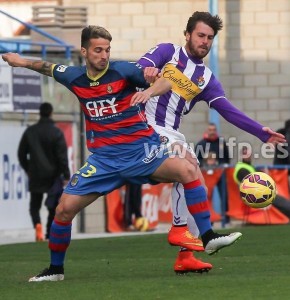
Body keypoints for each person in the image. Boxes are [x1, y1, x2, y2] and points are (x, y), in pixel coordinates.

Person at [2, 25, 247, 282]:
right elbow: (47, 67)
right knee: (63, 210)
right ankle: (55, 270)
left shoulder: (124, 70)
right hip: (103, 162)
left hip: (142, 153)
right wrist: (20, 62)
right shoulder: (74, 76)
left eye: (107, 50)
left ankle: (208, 237)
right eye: (98, 50)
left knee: (187, 169)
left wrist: (149, 89)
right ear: (84, 51)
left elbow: (165, 80)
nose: (104, 55)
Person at [133, 11, 286, 274]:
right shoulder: (167, 51)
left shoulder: (205, 78)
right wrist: (146, 71)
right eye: (201, 35)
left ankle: (186, 256)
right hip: (144, 126)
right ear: (188, 34)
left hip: (171, 132)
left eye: (210, 38)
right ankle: (183, 230)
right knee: (189, 165)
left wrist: (261, 132)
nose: (205, 41)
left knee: (197, 183)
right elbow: (139, 67)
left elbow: (228, 110)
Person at [18, 102, 70, 241]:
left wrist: (28, 168)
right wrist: (66, 174)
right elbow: (62, 156)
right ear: (51, 113)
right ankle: (48, 232)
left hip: (35, 173)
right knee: (53, 206)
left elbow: (21, 153)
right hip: (53, 175)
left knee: (35, 204)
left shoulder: (30, 131)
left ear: (40, 113)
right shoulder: (56, 132)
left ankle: (37, 225)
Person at [234, 146, 290, 218]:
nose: (248, 156)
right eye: (245, 154)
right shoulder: (241, 169)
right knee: (280, 201)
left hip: (260, 193)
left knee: (279, 198)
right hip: (254, 196)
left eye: (249, 154)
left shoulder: (248, 167)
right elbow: (251, 184)